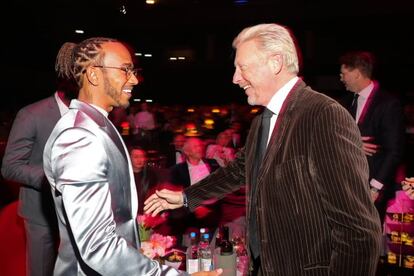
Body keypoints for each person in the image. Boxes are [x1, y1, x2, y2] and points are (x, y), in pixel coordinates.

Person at [145, 23, 382, 275]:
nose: (235, 78)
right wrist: (186, 197)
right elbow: (239, 170)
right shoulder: (262, 121)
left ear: (275, 63)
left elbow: (358, 231)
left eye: (242, 67)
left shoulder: (323, 115)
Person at [42, 37, 221, 276]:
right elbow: (97, 246)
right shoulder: (79, 136)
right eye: (126, 70)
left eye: (133, 71)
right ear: (94, 75)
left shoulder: (97, 125)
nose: (135, 79)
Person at [1, 43, 77, 276]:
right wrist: (52, 177)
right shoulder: (31, 114)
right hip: (40, 214)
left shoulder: (89, 116)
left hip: (78, 214)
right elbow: (10, 167)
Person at [339, 51, 405, 224]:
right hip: (347, 185)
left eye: (344, 73)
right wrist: (352, 144)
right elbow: (336, 136)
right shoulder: (345, 102)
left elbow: (394, 151)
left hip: (372, 189)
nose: (341, 78)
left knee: (370, 241)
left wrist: (375, 188)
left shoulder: (388, 103)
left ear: (357, 73)